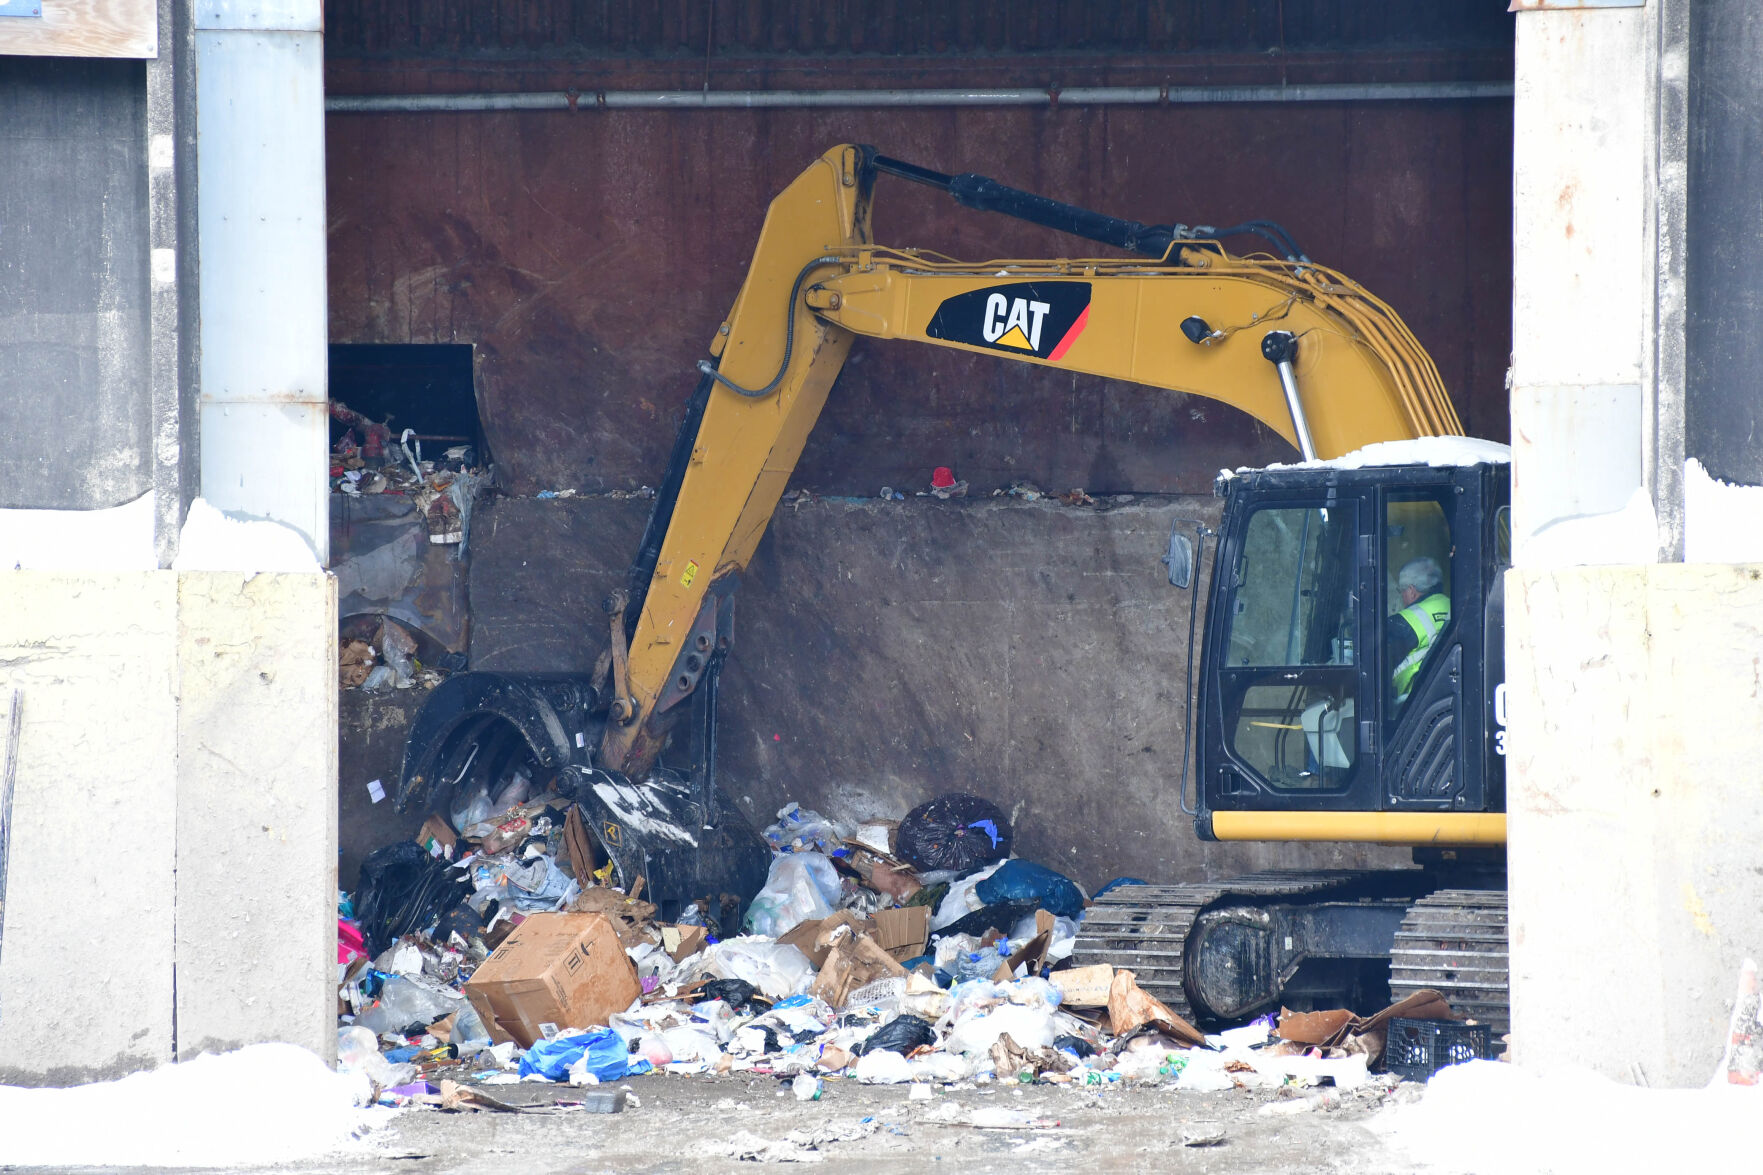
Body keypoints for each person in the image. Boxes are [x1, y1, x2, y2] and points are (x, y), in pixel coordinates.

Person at [1385, 556, 1450, 705]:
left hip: (1409, 704)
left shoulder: (1406, 621)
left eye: (1401, 591)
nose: (1402, 596)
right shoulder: (1453, 606)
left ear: (1412, 591)